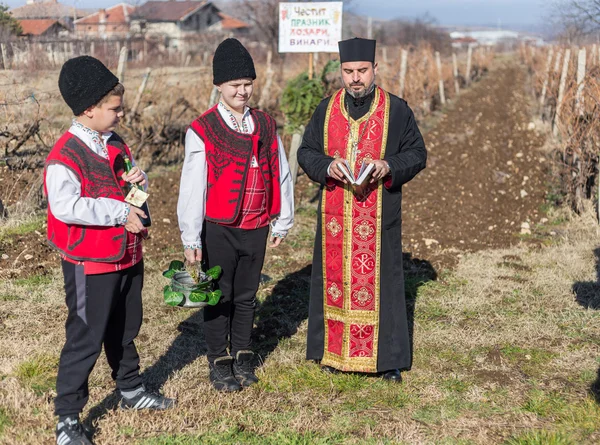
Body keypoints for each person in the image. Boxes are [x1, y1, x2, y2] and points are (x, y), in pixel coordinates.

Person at [45, 56, 174, 445]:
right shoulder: (65, 156)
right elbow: (66, 207)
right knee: (85, 336)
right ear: (88, 108)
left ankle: (131, 389)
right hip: (91, 262)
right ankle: (68, 417)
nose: (121, 115)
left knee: (125, 328)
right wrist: (120, 211)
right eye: (114, 108)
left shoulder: (115, 142)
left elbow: (129, 189)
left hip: (128, 254)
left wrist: (140, 181)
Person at [297, 38, 427, 381]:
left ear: (375, 70)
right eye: (349, 71)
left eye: (362, 71)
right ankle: (333, 353)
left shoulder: (397, 110)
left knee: (383, 284)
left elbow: (417, 154)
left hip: (379, 218)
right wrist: (327, 165)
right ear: (341, 72)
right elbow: (306, 152)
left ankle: (387, 361)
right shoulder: (325, 111)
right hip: (335, 220)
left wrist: (388, 165)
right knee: (334, 281)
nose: (356, 78)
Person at [177, 38, 294, 392]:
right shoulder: (203, 129)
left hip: (256, 223)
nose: (243, 92)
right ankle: (219, 359)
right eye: (235, 86)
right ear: (218, 86)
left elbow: (281, 171)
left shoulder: (265, 123)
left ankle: (243, 354)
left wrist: (282, 218)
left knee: (245, 295)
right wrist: (191, 237)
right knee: (218, 294)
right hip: (220, 226)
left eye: (248, 85)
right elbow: (193, 186)